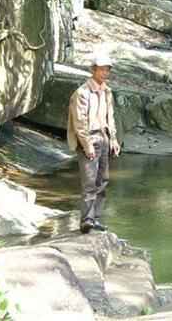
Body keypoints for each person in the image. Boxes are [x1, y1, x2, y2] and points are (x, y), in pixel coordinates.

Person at [67, 53, 120, 234]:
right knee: (89, 182)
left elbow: (109, 117)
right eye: (102, 69)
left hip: (103, 138)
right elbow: (79, 122)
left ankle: (95, 218)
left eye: (107, 70)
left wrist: (113, 139)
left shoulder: (107, 91)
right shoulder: (81, 93)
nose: (105, 73)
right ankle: (86, 220)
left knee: (102, 180)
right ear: (93, 70)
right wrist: (87, 144)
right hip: (88, 139)